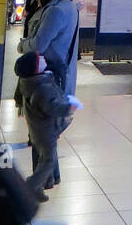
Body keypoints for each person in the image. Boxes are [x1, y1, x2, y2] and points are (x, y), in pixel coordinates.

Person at [14, 51, 81, 201]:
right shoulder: (41, 88)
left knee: (43, 159)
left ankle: (37, 188)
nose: (44, 58)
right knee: (48, 161)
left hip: (37, 130)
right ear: (35, 68)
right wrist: (69, 108)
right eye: (40, 59)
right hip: (46, 131)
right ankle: (30, 187)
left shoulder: (30, 83)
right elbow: (52, 107)